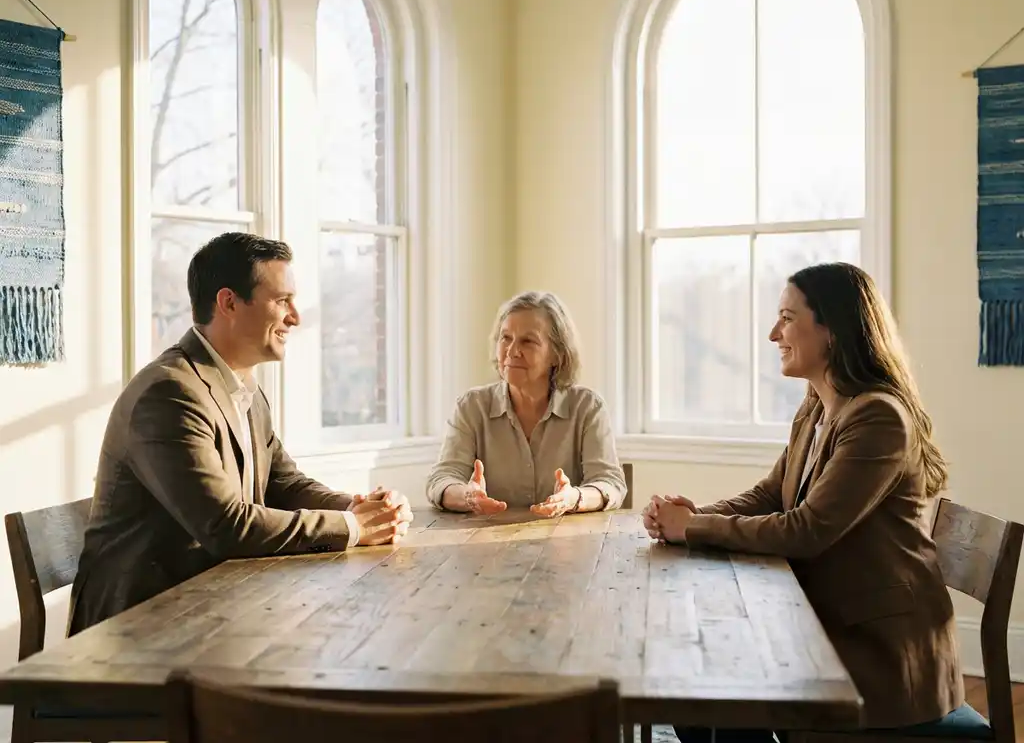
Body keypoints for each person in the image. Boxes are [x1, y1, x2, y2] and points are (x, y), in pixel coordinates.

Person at [643, 262, 963, 740]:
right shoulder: (817, 405)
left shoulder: (878, 418)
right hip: (831, 624)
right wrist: (693, 516)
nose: (774, 333)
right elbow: (772, 493)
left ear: (832, 330)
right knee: (699, 675)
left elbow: (806, 530)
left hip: (881, 657)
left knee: (710, 684)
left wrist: (688, 528)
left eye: (787, 318)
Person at [68, 232, 413, 635]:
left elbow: (285, 484)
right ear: (229, 303)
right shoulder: (169, 393)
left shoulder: (242, 385)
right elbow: (227, 526)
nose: (295, 317)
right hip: (139, 625)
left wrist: (363, 507)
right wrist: (353, 527)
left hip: (214, 602)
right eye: (282, 300)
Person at [426, 291, 626, 516]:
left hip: (569, 536)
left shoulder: (588, 408)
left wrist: (573, 498)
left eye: (528, 341)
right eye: (505, 338)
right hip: (487, 535)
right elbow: (442, 480)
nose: (512, 351)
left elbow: (609, 483)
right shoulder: (471, 407)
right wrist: (467, 496)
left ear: (557, 354)